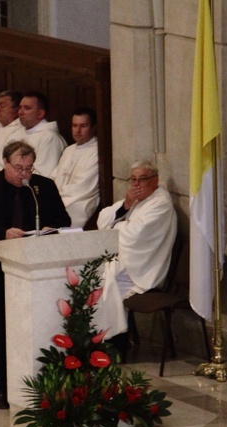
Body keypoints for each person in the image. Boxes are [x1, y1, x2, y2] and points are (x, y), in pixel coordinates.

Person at [0, 141, 71, 409]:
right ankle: (1, 387)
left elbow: (64, 220)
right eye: (18, 168)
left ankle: (41, 380)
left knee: (37, 326)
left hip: (36, 273)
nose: (23, 174)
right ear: (4, 163)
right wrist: (3, 233)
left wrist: (50, 228)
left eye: (28, 168)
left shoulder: (42, 187)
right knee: (0, 329)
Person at [94, 160, 177, 352]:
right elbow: (103, 220)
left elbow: (135, 237)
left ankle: (114, 341)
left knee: (108, 280)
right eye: (133, 180)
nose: (137, 185)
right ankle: (101, 338)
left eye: (142, 179)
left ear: (155, 180)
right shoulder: (136, 200)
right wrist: (126, 204)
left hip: (144, 267)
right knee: (97, 278)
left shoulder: (161, 204)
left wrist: (118, 226)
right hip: (127, 261)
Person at [51, 107, 100, 229]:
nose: (77, 130)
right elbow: (54, 176)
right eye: (74, 125)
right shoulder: (69, 150)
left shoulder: (97, 151)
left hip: (81, 200)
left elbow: (83, 186)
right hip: (61, 198)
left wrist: (56, 197)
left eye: (83, 126)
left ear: (94, 128)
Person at [15, 90, 66, 178]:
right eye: (20, 107)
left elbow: (42, 174)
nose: (20, 112)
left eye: (27, 108)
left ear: (40, 114)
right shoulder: (19, 132)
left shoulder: (49, 138)